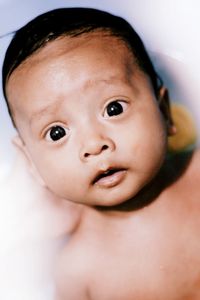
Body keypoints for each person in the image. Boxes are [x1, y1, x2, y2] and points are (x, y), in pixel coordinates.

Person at [2, 7, 200, 300]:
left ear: (164, 111)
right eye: (57, 132)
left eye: (113, 108)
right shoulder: (78, 271)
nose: (94, 145)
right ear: (30, 161)